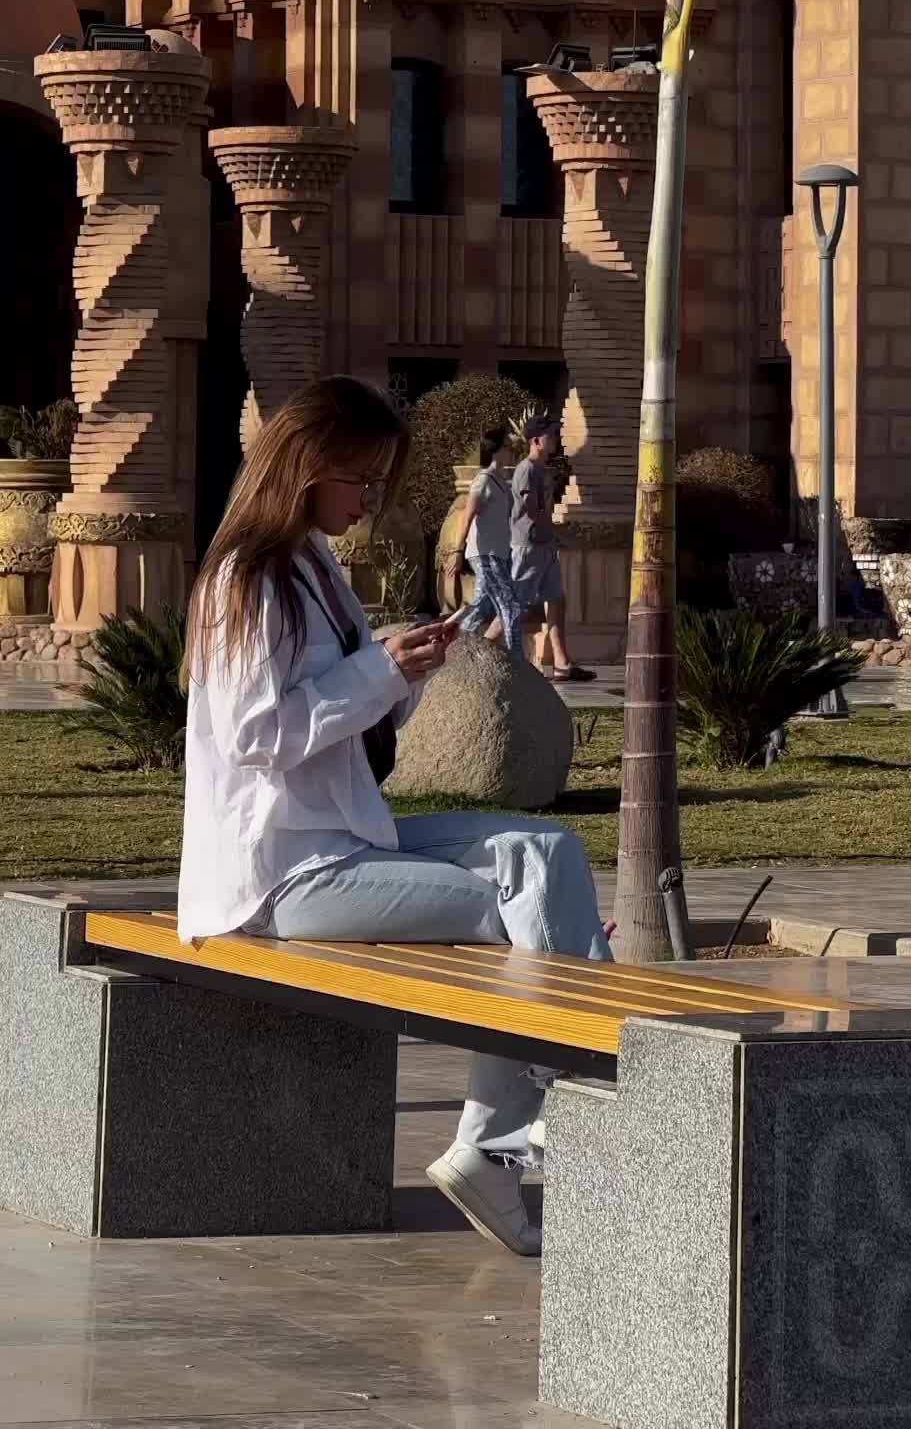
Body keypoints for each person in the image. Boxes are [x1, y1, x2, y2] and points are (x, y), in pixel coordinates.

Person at [179, 375, 612, 1257]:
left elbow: (342, 714)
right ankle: (527, 1131)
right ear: (304, 469)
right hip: (280, 873)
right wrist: (376, 673)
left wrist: (401, 671)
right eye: (359, 480)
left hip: (342, 838)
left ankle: (507, 1135)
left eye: (379, 482)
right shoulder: (247, 578)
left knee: (549, 851)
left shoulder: (314, 567)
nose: (370, 500)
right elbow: (261, 732)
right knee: (515, 909)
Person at [511, 415, 595, 683]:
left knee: (557, 600)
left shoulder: (543, 470)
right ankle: (489, 654)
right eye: (550, 435)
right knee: (514, 604)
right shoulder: (527, 470)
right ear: (535, 440)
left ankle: (562, 665)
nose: (555, 440)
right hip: (529, 546)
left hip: (545, 545)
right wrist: (556, 530)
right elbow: (533, 510)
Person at [450, 426, 523, 657]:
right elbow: (467, 515)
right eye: (507, 448)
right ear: (495, 451)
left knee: (481, 607)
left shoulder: (501, 482)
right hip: (485, 555)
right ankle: (517, 661)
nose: (511, 452)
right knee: (510, 608)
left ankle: (455, 648)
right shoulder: (483, 480)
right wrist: (457, 550)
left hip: (499, 555)